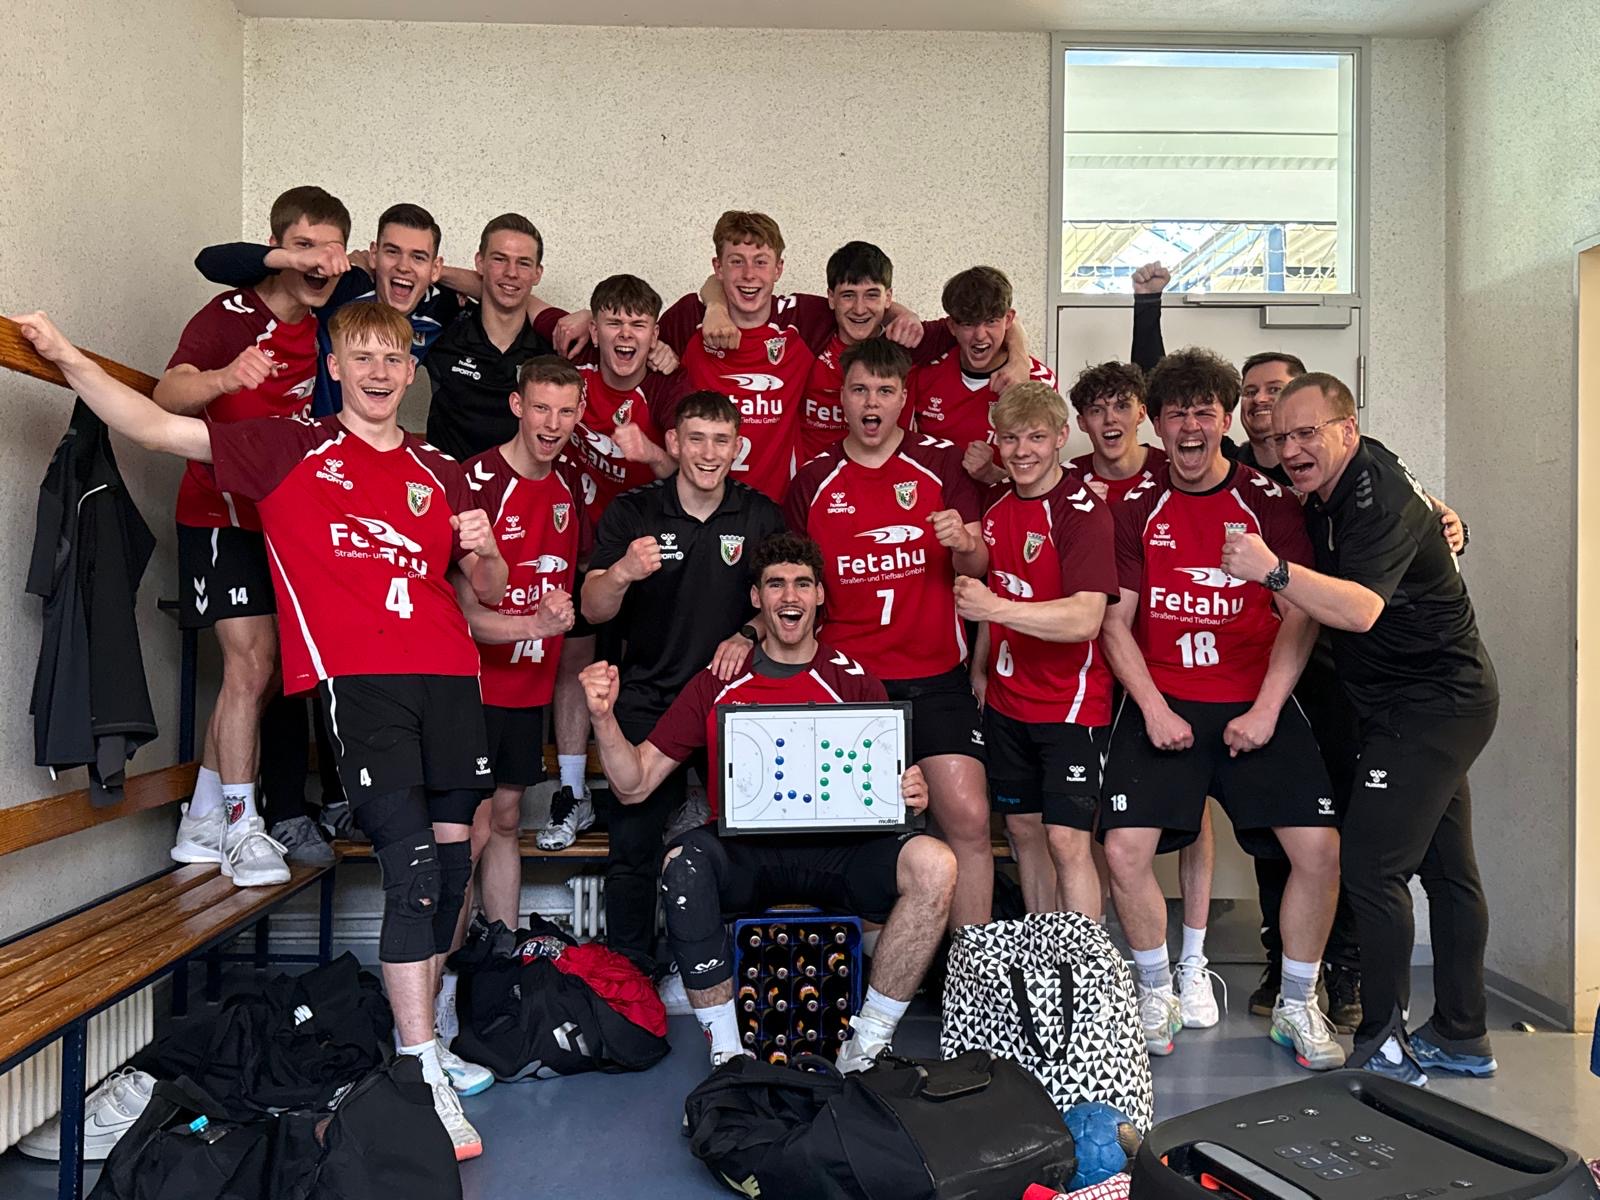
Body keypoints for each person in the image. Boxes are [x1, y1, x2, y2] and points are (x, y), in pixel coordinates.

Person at [15, 301, 505, 1158]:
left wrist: (487, 545)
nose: (380, 372)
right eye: (363, 357)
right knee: (414, 873)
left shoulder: (439, 467)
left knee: (456, 868)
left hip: (452, 679)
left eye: (394, 358)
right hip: (363, 687)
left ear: (410, 370)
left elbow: (487, 588)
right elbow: (156, 427)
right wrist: (66, 356)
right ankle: (419, 1070)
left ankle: (425, 1038)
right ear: (336, 368)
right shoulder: (291, 448)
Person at [578, 532, 956, 1071]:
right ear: (757, 598)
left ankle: (868, 1042)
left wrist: (911, 792)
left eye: (802, 583)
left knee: (936, 863)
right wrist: (602, 718)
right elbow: (633, 783)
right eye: (775, 584)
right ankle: (727, 1051)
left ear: (819, 595)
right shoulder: (717, 682)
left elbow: (892, 790)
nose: (790, 595)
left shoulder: (853, 681)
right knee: (682, 864)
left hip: (838, 856)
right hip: (746, 856)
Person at [1221, 372, 1499, 1088]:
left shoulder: (1375, 494)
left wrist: (1271, 571)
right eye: (1282, 436)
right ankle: (1462, 1034)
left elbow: (1361, 609)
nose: (1292, 448)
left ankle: (1382, 1045)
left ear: (1347, 428)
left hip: (1431, 704)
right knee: (1447, 870)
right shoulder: (1335, 483)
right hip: (1405, 703)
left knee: (1373, 867)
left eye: (1307, 433)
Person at [1098, 347, 1344, 1072]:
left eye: (1205, 412)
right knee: (1123, 849)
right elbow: (1115, 623)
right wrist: (1152, 708)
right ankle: (1155, 990)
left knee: (1320, 851)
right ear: (1157, 424)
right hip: (1166, 700)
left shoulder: (1268, 504)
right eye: (1177, 414)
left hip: (1253, 699)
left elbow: (1300, 613)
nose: (1191, 427)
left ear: (1227, 418)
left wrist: (1267, 710)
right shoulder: (1134, 507)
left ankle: (1298, 1002)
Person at [155, 184, 349, 887]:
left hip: (279, 523)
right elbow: (166, 396)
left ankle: (204, 816)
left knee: (266, 675)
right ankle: (242, 826)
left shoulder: (329, 318)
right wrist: (223, 377)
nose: (320, 262)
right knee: (250, 667)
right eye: (304, 246)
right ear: (275, 250)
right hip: (217, 514)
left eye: (331, 248)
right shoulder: (230, 314)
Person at [785, 337, 992, 929]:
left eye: (884, 390)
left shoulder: (941, 464)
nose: (871, 402)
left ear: (904, 397)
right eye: (859, 390)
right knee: (860, 827)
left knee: (970, 818)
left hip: (935, 675)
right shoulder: (814, 480)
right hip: (849, 684)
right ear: (842, 398)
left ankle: (973, 969)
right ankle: (876, 964)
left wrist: (965, 543)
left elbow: (979, 566)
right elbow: (791, 585)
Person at [580, 391, 787, 971]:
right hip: (651, 696)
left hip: (733, 699)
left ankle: (739, 966)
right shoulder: (635, 512)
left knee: (751, 839)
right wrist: (623, 571)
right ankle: (630, 975)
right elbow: (592, 607)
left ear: (738, 447)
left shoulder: (760, 515)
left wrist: (747, 633)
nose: (708, 453)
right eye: (696, 439)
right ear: (673, 442)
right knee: (633, 844)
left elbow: (787, 600)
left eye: (721, 441)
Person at [1065, 357, 1220, 1027]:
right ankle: (1119, 963)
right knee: (1104, 822)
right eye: (1095, 408)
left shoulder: (1174, 465)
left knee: (1194, 812)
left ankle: (1193, 961)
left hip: (1173, 668)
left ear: (1142, 415)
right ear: (1081, 421)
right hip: (1090, 671)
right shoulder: (1068, 481)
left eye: (1121, 405)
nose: (1109, 419)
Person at [449, 357, 588, 1038]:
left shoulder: (567, 492)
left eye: (565, 411)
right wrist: (536, 624)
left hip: (526, 689)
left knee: (506, 820)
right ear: (516, 405)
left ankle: (500, 964)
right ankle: (441, 990)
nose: (552, 424)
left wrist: (551, 623)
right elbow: (467, 614)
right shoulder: (476, 481)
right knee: (466, 832)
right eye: (541, 408)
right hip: (470, 689)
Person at [533, 274, 687, 848]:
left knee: (655, 660)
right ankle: (572, 793)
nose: (626, 335)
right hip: (575, 544)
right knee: (575, 656)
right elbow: (514, 301)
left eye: (638, 325)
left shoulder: (667, 385)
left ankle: (666, 792)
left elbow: (692, 468)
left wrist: (649, 452)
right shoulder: (572, 377)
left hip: (645, 553)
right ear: (593, 328)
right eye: (614, 322)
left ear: (654, 334)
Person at [958, 382, 1117, 919]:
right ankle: (1042, 950)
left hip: (1069, 706)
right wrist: (981, 669)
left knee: (1068, 841)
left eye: (1036, 438)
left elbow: (1086, 619)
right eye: (1010, 439)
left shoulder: (1082, 512)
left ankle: (1082, 961)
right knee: (1023, 832)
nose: (1022, 451)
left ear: (1060, 437)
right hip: (1007, 703)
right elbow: (999, 592)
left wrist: (995, 609)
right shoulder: (999, 506)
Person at [697, 240, 1032, 464]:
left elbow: (987, 318)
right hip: (815, 488)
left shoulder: (907, 339)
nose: (859, 308)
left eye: (872, 295)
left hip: (889, 488)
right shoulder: (809, 328)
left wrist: (1020, 361)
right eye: (848, 295)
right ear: (830, 298)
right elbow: (718, 284)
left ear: (888, 297)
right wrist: (715, 307)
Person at [192, 201, 463, 415]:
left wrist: (439, 274)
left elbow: (487, 287)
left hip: (370, 443)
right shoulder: (343, 286)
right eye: (392, 252)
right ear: (374, 255)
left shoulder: (441, 307)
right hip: (312, 436)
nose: (403, 266)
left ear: (435, 267)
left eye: (418, 257)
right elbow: (210, 262)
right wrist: (296, 258)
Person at [652, 210, 817, 501]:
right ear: (718, 267)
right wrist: (586, 318)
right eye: (736, 261)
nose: (749, 274)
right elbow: (628, 338)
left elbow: (862, 310)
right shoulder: (689, 318)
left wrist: (898, 314)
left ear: (778, 269)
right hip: (699, 509)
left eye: (761, 262)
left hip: (775, 509)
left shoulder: (800, 319)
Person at [907, 266, 1058, 486]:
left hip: (1005, 504)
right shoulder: (924, 374)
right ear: (952, 326)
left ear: (1009, 320)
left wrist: (992, 475)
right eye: (969, 324)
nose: (979, 335)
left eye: (991, 321)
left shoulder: (1036, 381)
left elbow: (1047, 481)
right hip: (937, 502)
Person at [423, 213, 557, 461]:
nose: (511, 272)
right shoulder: (443, 328)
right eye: (499, 259)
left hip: (522, 484)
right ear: (480, 263)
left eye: (523, 263)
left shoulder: (552, 349)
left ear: (537, 273)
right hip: (448, 482)